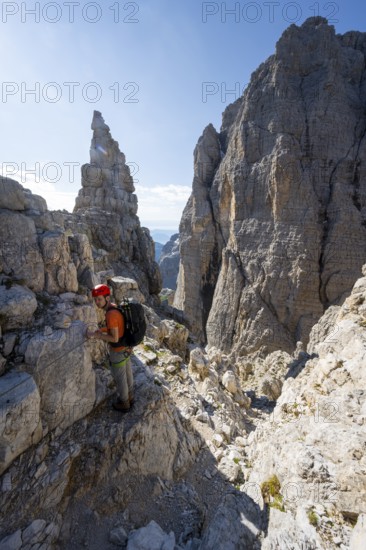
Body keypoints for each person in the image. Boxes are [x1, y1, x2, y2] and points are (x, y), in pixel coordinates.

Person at [87, 284, 134, 412]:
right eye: (95, 299)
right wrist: (102, 330)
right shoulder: (114, 307)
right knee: (128, 373)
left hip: (118, 350)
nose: (97, 302)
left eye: (99, 299)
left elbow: (114, 338)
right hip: (126, 347)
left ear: (107, 298)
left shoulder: (110, 314)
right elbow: (117, 327)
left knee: (120, 378)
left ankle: (124, 403)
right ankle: (131, 397)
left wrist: (97, 335)